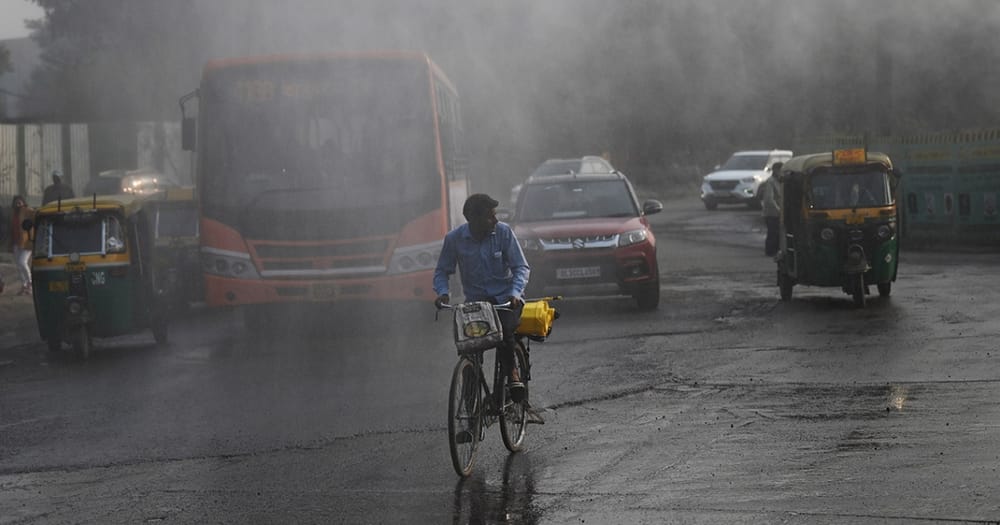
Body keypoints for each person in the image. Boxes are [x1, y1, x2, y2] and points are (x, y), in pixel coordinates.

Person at [433, 193, 531, 401]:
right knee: (469, 349)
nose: (495, 220)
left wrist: (515, 293)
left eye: (495, 216)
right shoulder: (454, 239)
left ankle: (513, 375)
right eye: (490, 217)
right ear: (473, 220)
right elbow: (442, 271)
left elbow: (521, 267)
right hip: (476, 304)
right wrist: (442, 292)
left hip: (506, 300)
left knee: (503, 333)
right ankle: (470, 411)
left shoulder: (503, 232)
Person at [9, 196, 34, 296]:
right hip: (16, 242)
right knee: (19, 266)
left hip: (26, 242)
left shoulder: (27, 210)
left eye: (20, 202)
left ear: (23, 202)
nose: (18, 204)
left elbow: (35, 215)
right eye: (16, 202)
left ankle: (30, 283)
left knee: (22, 262)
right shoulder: (13, 213)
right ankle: (24, 286)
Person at [761, 162, 782, 257]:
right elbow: (769, 199)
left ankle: (775, 250)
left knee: (777, 233)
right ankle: (770, 251)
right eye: (780, 170)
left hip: (778, 212)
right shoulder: (771, 182)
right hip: (771, 213)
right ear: (776, 170)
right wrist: (779, 210)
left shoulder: (779, 181)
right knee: (772, 233)